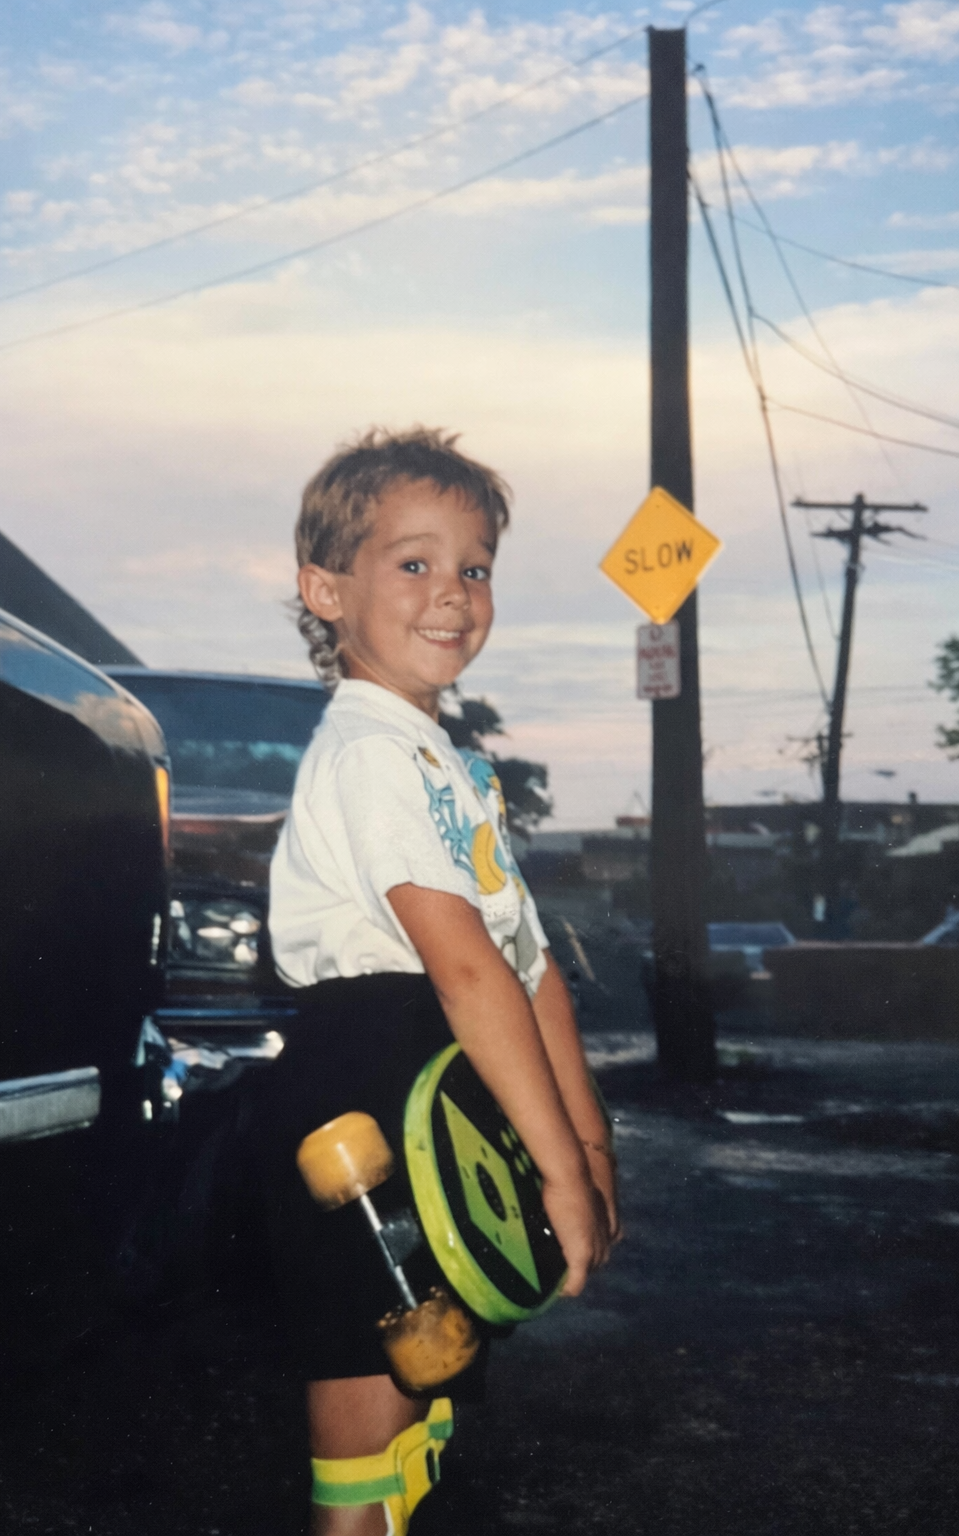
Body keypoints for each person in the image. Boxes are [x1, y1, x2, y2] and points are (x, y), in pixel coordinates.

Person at [265, 427, 619, 1536]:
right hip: (364, 1093)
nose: (452, 593)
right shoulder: (369, 751)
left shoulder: (445, 765)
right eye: (412, 563)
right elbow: (466, 969)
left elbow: (527, 967)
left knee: (430, 1393)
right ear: (326, 589)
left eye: (474, 568)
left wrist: (587, 1141)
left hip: (438, 1075)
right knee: (367, 1436)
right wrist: (561, 1170)